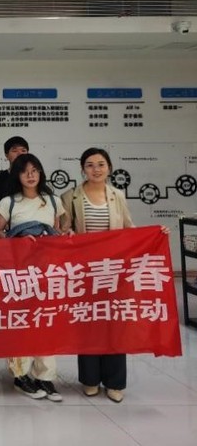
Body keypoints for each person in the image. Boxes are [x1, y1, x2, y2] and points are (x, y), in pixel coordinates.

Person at [60, 147, 169, 403]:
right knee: (89, 324)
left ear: (109, 167)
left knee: (116, 324)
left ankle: (115, 382)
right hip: (85, 272)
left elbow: (129, 229)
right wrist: (67, 235)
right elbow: (63, 230)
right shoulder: (70, 196)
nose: (96, 169)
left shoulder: (117, 195)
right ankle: (89, 379)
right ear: (82, 169)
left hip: (114, 271)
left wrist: (155, 234)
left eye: (101, 164)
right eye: (90, 165)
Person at [0, 153, 65, 402]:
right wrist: (18, 241)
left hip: (47, 271)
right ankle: (20, 374)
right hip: (20, 272)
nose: (30, 175)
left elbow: (57, 230)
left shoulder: (53, 201)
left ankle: (45, 376)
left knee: (46, 321)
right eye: (25, 171)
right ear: (17, 176)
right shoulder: (8, 202)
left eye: (35, 170)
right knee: (21, 321)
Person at [0, 136, 29, 211]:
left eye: (23, 150)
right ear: (6, 155)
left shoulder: (34, 178)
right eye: (14, 151)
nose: (20, 154)